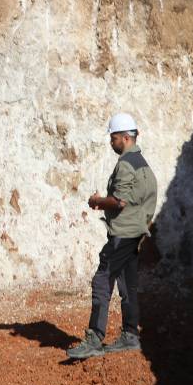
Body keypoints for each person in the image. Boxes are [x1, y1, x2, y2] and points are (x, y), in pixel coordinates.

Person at [67, 113, 158, 359]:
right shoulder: (143, 164)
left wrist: (97, 202)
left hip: (122, 234)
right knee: (128, 285)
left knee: (102, 280)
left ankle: (94, 338)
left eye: (113, 137)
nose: (111, 142)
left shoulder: (127, 164)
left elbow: (120, 200)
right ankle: (130, 335)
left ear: (125, 138)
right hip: (135, 233)